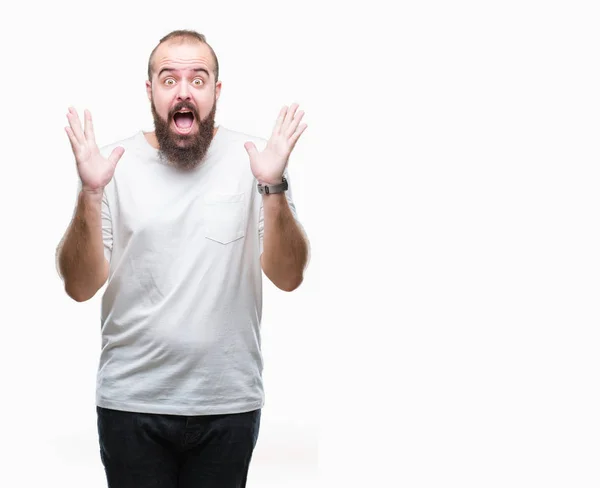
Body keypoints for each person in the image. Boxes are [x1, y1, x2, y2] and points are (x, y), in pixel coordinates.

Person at [55, 29, 310, 488]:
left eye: (198, 78)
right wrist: (90, 193)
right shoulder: (113, 164)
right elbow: (79, 286)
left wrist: (273, 188)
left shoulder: (257, 162)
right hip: (132, 403)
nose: (184, 90)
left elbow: (288, 276)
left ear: (216, 90)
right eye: (169, 79)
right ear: (150, 91)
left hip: (227, 404)